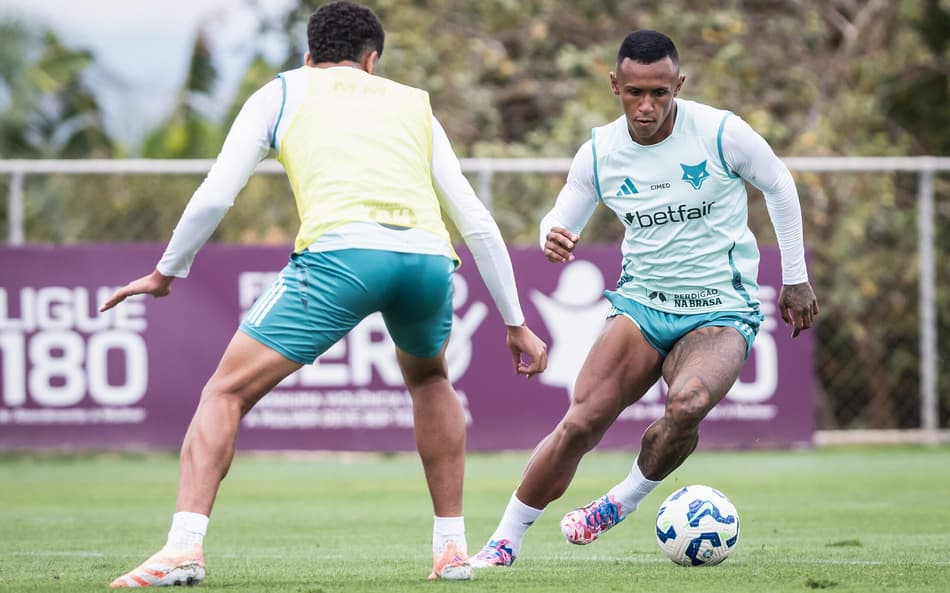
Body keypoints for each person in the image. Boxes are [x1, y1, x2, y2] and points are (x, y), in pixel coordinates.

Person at [102, 1, 548, 586]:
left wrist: (167, 271)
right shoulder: (413, 103)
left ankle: (183, 548)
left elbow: (215, 195)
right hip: (427, 259)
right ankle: (451, 551)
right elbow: (476, 221)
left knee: (226, 392)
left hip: (343, 256)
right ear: (372, 60)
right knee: (430, 379)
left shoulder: (282, 90)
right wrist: (515, 321)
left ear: (309, 55)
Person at [470, 29, 818, 568]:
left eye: (660, 92)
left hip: (720, 307)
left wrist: (795, 276)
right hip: (642, 305)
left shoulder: (722, 133)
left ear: (679, 84)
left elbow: (779, 183)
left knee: (688, 405)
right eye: (635, 92)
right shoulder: (600, 153)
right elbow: (561, 217)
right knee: (579, 424)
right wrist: (550, 235)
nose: (647, 106)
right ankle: (504, 540)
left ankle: (621, 500)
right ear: (615, 85)